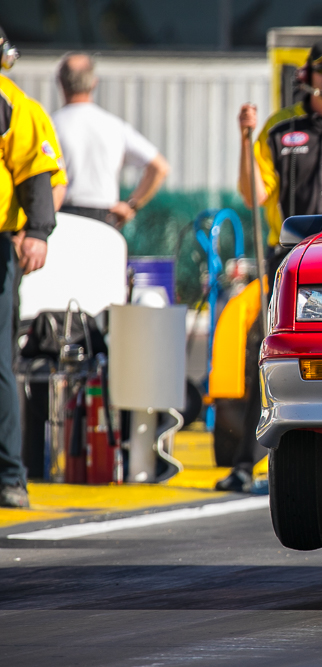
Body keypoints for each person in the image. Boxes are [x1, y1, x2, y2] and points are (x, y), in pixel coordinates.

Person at [216, 37, 322, 492]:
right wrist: (243, 137)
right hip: (293, 260)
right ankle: (253, 462)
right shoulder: (278, 128)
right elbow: (254, 195)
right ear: (307, 76)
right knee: (271, 352)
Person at [0, 26, 63, 507]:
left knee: (1, 362)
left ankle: (10, 475)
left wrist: (38, 231)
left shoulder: (11, 103)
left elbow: (37, 171)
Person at [51, 53, 169, 228]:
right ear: (93, 83)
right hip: (104, 217)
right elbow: (160, 167)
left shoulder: (50, 125)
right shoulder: (113, 126)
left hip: (62, 215)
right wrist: (131, 205)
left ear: (60, 82)